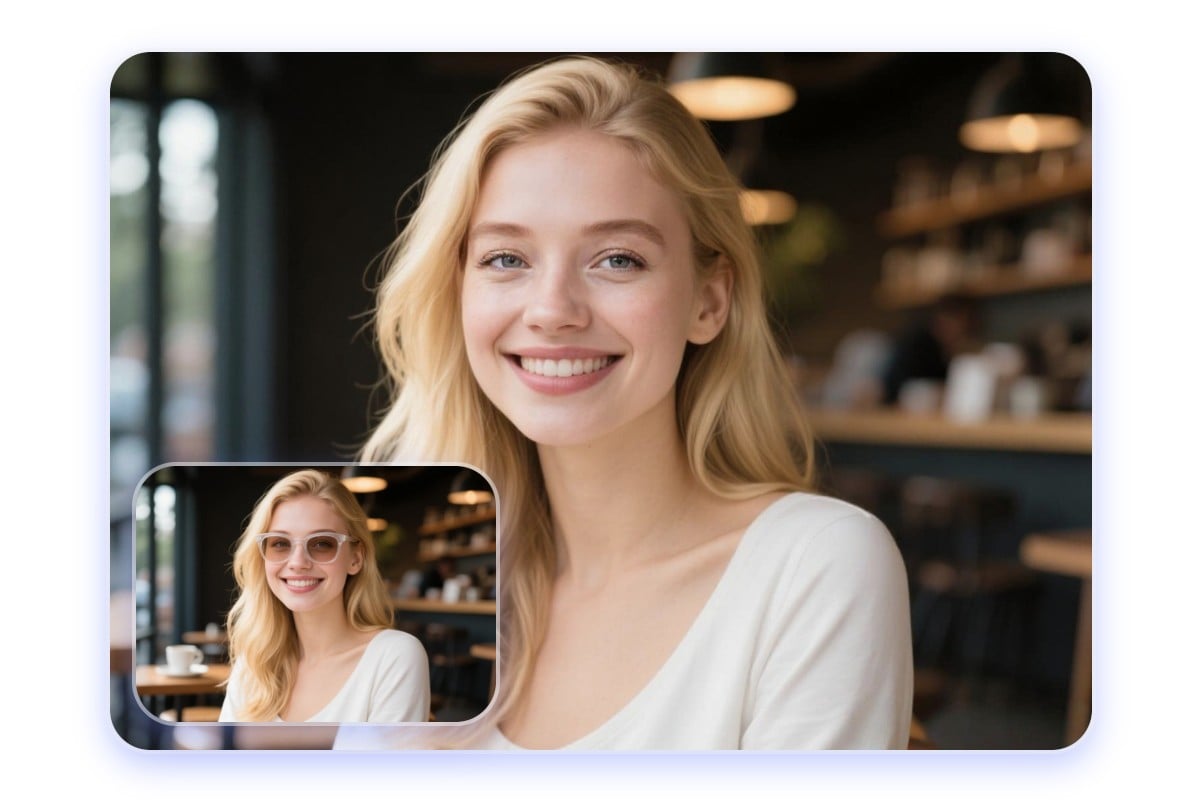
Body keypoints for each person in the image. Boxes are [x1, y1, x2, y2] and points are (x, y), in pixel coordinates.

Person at [350, 57, 911, 749]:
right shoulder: (405, 588)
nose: (552, 310)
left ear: (708, 302)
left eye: (617, 259)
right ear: (457, 290)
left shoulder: (812, 567)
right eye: (506, 259)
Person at [219, 469, 430, 723]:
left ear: (355, 558)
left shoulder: (394, 657)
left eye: (321, 544)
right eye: (280, 544)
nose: (298, 563)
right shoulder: (254, 664)